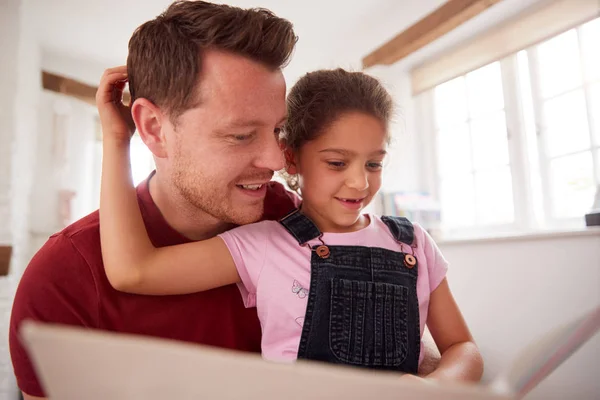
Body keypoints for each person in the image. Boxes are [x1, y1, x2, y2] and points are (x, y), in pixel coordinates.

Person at [98, 67, 484, 382]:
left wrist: (435, 387)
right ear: (291, 159)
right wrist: (117, 141)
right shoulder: (262, 244)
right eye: (337, 163)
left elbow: (462, 349)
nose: (360, 183)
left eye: (374, 163)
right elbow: (134, 271)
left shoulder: (413, 243)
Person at [9, 2, 299, 398]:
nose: (275, 161)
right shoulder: (64, 278)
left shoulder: (300, 226)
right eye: (241, 135)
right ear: (153, 128)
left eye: (278, 130)